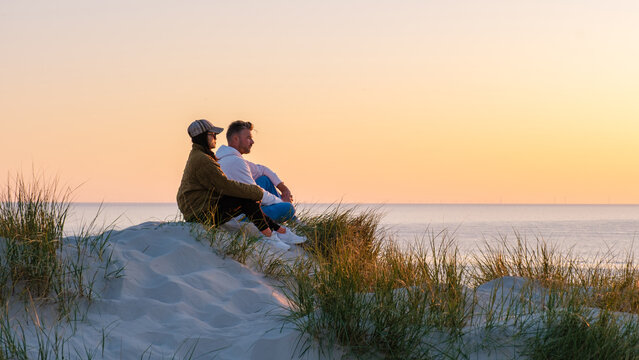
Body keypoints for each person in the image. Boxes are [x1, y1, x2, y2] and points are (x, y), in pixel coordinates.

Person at [176, 119, 305, 250]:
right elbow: (225, 186)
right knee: (251, 198)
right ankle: (274, 234)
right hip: (202, 214)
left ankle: (277, 231)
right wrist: (256, 193)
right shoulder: (203, 159)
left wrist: (259, 192)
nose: (215, 137)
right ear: (203, 137)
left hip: (205, 207)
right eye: (212, 134)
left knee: (250, 193)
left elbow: (259, 171)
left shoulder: (203, 156)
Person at [216, 120, 297, 223]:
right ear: (236, 139)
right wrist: (281, 202)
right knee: (288, 209)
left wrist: (284, 189)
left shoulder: (228, 157)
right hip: (238, 216)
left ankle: (293, 219)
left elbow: (262, 170)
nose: (252, 142)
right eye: (248, 138)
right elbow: (255, 193)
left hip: (240, 205)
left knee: (265, 180)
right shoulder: (235, 162)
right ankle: (292, 218)